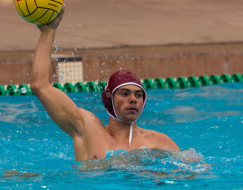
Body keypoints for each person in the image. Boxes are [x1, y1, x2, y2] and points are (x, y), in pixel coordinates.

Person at [30, 9, 180, 161]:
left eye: (139, 95)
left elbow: (194, 172)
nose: (133, 99)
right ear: (109, 99)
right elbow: (40, 85)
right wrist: (48, 31)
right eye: (125, 93)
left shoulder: (159, 141)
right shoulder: (87, 128)